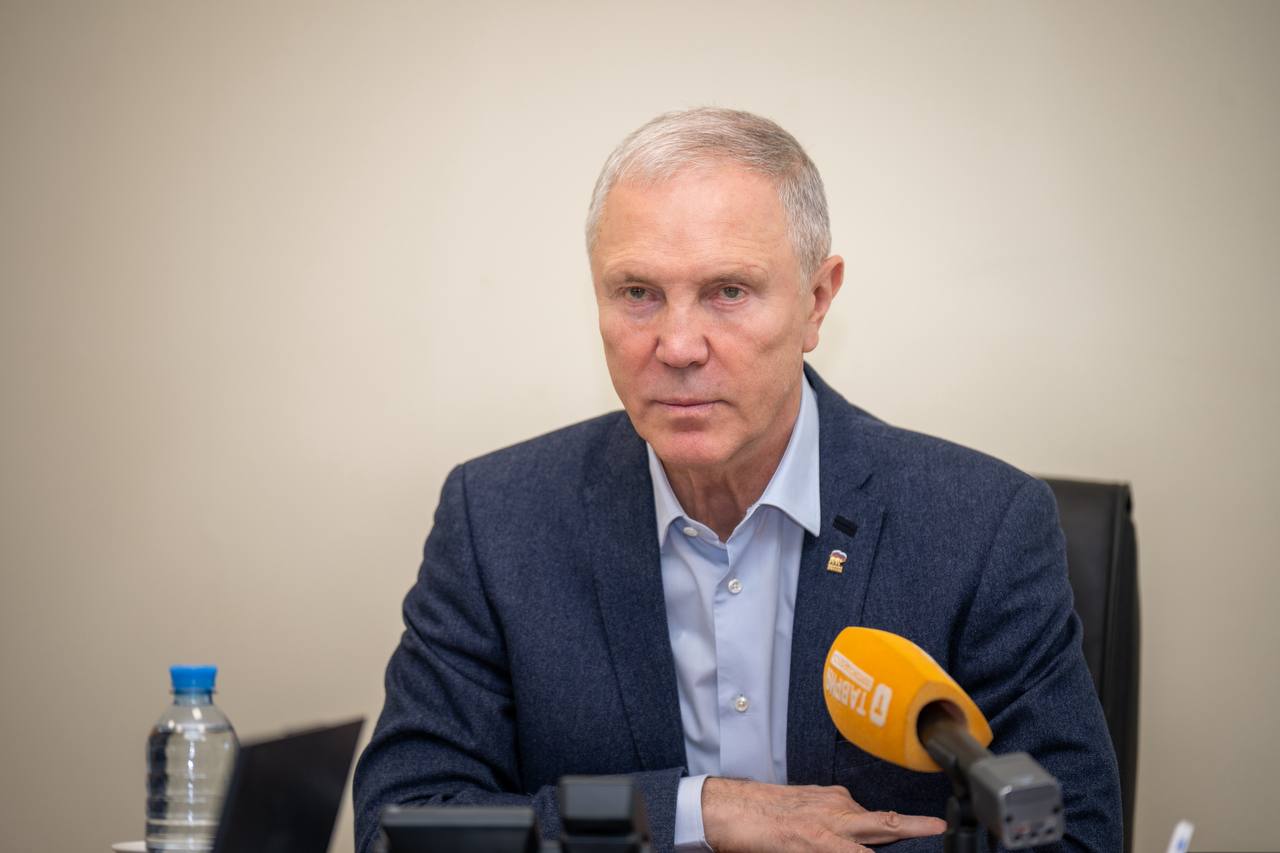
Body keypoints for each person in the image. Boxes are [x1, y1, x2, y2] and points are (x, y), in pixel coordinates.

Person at [353, 108, 1122, 853]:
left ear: (817, 301)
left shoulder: (981, 524)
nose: (679, 345)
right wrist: (700, 810)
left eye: (728, 291)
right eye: (637, 292)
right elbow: (403, 823)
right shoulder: (497, 520)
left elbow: (1073, 835)